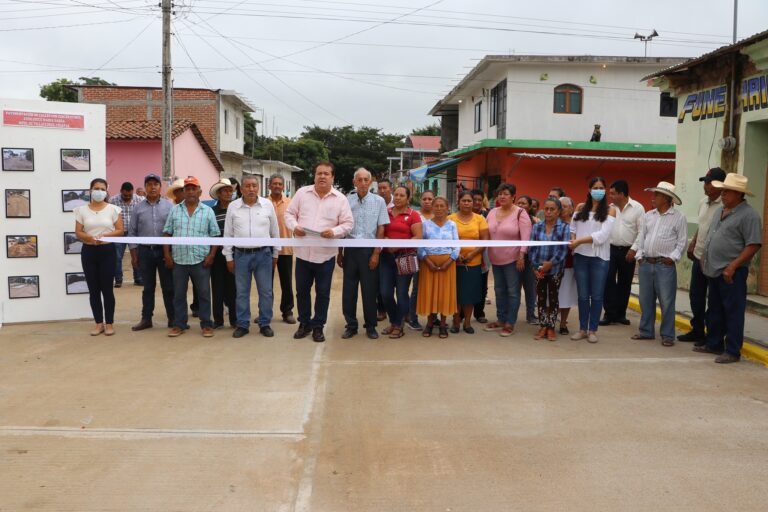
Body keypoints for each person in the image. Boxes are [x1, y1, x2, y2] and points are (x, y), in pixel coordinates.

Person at [694, 174, 762, 364]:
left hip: (732, 272)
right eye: (722, 190)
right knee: (714, 309)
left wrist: (733, 266)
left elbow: (754, 244)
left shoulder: (749, 215)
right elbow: (711, 236)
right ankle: (714, 343)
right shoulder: (720, 211)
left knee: (733, 311)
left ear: (739, 194)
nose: (722, 194)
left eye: (726, 191)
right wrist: (704, 257)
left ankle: (732, 350)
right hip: (713, 269)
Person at [285, 162, 354, 342]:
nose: (322, 176)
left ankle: (318, 326)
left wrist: (335, 232)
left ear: (332, 177)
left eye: (326, 174)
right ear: (314, 176)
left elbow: (348, 224)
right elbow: (289, 214)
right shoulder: (302, 193)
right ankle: (304, 323)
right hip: (303, 254)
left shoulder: (340, 199)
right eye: (319, 173)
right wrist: (295, 227)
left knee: (322, 293)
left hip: (325, 255)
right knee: (302, 291)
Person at [223, 175, 280, 339]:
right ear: (241, 189)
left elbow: (275, 231)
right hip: (241, 255)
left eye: (254, 185)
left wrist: (275, 253)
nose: (251, 189)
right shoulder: (233, 207)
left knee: (266, 291)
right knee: (241, 292)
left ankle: (265, 323)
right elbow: (228, 234)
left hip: (264, 255)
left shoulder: (267, 205)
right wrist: (229, 257)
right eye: (247, 186)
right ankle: (242, 324)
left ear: (259, 187)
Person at [163, 176, 220, 338]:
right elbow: (167, 233)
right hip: (179, 260)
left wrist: (211, 255)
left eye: (193, 188)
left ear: (199, 191)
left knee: (203, 294)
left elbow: (215, 235)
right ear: (183, 192)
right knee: (179, 294)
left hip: (201, 260)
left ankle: (206, 325)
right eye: (187, 189)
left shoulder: (207, 211)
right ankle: (179, 324)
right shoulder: (175, 210)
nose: (190, 192)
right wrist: (167, 255)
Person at [632, 182, 687, 347]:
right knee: (645, 299)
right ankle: (646, 331)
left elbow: (682, 242)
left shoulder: (679, 217)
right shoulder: (649, 215)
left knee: (667, 301)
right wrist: (639, 256)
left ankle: (667, 335)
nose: (653, 197)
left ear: (666, 198)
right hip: (646, 263)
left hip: (665, 264)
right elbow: (642, 237)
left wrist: (673, 258)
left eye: (657, 195)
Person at [339, 168, 389, 340]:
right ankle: (351, 325)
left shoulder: (379, 201)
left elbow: (381, 227)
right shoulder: (346, 201)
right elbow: (342, 227)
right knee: (349, 291)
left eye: (365, 180)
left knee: (369, 291)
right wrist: (340, 252)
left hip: (369, 251)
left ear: (370, 182)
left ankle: (371, 325)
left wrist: (376, 253)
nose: (362, 183)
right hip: (350, 249)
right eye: (359, 180)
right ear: (354, 182)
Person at [678, 167, 725, 343]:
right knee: (696, 296)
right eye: (705, 182)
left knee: (713, 299)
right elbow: (702, 225)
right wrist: (693, 242)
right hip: (698, 257)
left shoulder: (724, 205)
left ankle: (711, 334)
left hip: (714, 261)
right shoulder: (703, 202)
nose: (705, 186)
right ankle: (697, 329)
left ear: (720, 185)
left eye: (709, 182)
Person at [74, 178, 124, 336]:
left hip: (107, 251)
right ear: (90, 190)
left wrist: (104, 236)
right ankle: (98, 323)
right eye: (96, 188)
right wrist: (89, 238)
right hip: (89, 252)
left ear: (107, 191)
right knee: (93, 290)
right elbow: (78, 232)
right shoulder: (81, 210)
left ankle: (109, 323)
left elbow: (120, 230)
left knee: (107, 290)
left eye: (102, 189)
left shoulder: (114, 209)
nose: (99, 191)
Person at [569, 177, 616, 343]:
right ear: (589, 190)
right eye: (595, 187)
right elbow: (573, 228)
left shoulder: (610, 211)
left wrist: (579, 241)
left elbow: (602, 236)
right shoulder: (581, 208)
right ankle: (582, 328)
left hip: (599, 258)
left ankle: (592, 330)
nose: (598, 190)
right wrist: (574, 240)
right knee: (583, 295)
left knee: (596, 295)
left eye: (601, 187)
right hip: (581, 257)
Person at [128, 173, 174, 331]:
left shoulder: (169, 206)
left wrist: (171, 254)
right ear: (145, 187)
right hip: (145, 252)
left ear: (161, 187)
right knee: (148, 287)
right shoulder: (137, 208)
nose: (152, 187)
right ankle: (146, 318)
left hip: (164, 252)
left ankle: (172, 318)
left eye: (156, 184)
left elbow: (173, 231)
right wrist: (134, 256)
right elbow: (132, 233)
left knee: (168, 287)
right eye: (149, 184)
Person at [485, 183, 532, 337]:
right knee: (499, 291)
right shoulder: (492, 212)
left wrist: (521, 256)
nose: (502, 196)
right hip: (495, 259)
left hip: (513, 260)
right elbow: (487, 235)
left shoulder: (520, 213)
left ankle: (510, 322)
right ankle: (500, 319)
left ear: (513, 196)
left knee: (512, 292)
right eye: (500, 194)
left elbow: (526, 237)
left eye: (506, 194)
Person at [380, 185, 422, 339]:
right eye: (396, 194)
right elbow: (380, 231)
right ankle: (394, 321)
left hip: (405, 257)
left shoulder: (413, 215)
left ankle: (398, 325)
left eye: (401, 195)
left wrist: (398, 245)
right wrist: (384, 239)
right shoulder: (386, 213)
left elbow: (418, 237)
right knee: (385, 293)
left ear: (408, 198)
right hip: (386, 258)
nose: (397, 198)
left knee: (402, 292)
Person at [601, 179, 644, 326]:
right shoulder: (609, 208)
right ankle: (609, 314)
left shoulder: (638, 208)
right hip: (610, 249)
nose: (610, 196)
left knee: (625, 282)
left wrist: (634, 249)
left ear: (621, 194)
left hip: (628, 250)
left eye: (613, 193)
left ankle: (620, 314)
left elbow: (641, 232)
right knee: (608, 281)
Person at [417, 196, 459, 338]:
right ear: (432, 208)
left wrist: (449, 261)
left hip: (448, 264)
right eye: (436, 206)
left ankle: (442, 325)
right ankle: (429, 324)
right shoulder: (426, 225)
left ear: (447, 208)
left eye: (442, 206)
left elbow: (457, 246)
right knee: (430, 293)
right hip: (428, 265)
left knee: (444, 294)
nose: (439, 209)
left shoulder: (452, 225)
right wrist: (427, 261)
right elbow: (420, 245)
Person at [448, 190, 489, 333]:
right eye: (464, 201)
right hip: (454, 262)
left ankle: (467, 323)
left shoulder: (480, 219)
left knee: (470, 295)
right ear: (458, 202)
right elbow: (446, 240)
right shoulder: (450, 218)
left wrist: (471, 254)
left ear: (474, 203)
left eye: (469, 201)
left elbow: (485, 241)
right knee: (456, 294)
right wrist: (456, 254)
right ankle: (456, 322)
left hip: (474, 262)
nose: (466, 203)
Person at [529, 197, 569, 341]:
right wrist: (537, 267)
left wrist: (550, 264)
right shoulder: (536, 227)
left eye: (552, 209)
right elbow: (531, 248)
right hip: (539, 269)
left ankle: (551, 327)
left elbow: (563, 250)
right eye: (546, 209)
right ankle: (542, 326)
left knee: (553, 297)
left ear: (558, 211)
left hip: (555, 269)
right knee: (540, 297)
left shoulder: (564, 227)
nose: (548, 212)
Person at [268, 173, 296, 324]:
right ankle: (265, 312)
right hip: (266, 251)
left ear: (283, 186)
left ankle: (287, 311)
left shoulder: (291, 203)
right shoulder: (263, 203)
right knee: (266, 283)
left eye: (280, 184)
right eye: (274, 183)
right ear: (269, 186)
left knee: (287, 283)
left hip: (285, 249)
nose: (277, 186)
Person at [209, 178, 237, 329]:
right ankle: (218, 320)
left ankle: (234, 319)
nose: (228, 193)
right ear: (219, 194)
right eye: (225, 190)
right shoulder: (211, 211)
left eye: (230, 190)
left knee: (233, 287)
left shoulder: (237, 209)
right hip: (216, 252)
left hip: (233, 253)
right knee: (217, 286)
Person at [407, 189, 435, 331]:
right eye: (425, 199)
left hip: (436, 259)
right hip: (417, 257)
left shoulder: (439, 216)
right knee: (417, 288)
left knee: (433, 287)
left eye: (430, 199)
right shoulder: (415, 215)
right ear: (420, 200)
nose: (427, 201)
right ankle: (413, 318)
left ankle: (433, 318)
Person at [110, 181, 144, 287]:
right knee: (117, 257)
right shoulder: (113, 201)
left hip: (134, 233)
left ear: (132, 192)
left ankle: (138, 278)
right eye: (125, 195)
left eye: (129, 195)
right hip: (119, 233)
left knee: (137, 256)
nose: (127, 197)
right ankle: (118, 279)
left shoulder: (139, 200)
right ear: (121, 192)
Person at [516, 194, 539, 324]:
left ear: (530, 207)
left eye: (524, 203)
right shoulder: (512, 219)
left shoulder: (535, 222)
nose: (520, 206)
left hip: (530, 259)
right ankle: (511, 314)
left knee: (530, 289)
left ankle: (530, 315)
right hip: (515, 258)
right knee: (515, 289)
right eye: (518, 203)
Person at [557, 197, 577, 334]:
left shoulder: (576, 225)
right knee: (551, 297)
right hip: (552, 266)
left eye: (565, 206)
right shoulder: (552, 223)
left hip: (570, 265)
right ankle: (550, 321)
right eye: (560, 206)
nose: (563, 209)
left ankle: (563, 323)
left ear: (571, 208)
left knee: (566, 296)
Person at [376, 179, 395, 320]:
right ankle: (381, 310)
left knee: (400, 284)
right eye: (380, 188)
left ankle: (402, 311)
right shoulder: (375, 203)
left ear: (391, 189)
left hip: (396, 250)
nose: (382, 191)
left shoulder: (399, 202)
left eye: (385, 188)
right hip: (379, 249)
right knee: (380, 282)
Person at [471, 188, 490, 324]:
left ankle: (479, 313)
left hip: (483, 256)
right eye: (474, 200)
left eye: (479, 200)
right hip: (464, 256)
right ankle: (460, 314)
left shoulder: (488, 215)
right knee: (464, 285)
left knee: (482, 286)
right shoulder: (458, 216)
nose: (477, 202)